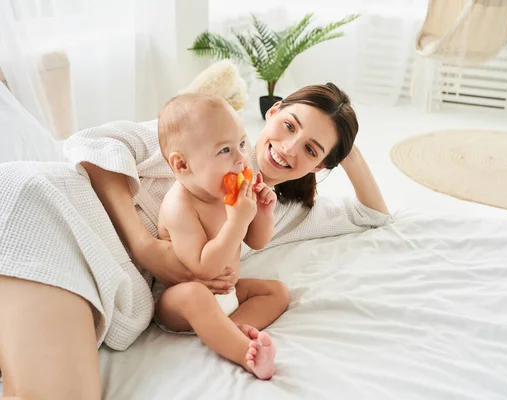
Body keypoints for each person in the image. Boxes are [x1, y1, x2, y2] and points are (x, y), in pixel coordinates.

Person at [0, 82, 390, 399]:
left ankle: (232, 339)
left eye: (311, 149)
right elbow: (92, 144)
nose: (289, 148)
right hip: (57, 214)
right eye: (290, 125)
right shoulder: (204, 129)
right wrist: (144, 247)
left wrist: (343, 144)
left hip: (100, 274)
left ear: (321, 165)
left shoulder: (285, 209)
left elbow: (374, 214)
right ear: (272, 112)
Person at [154, 93, 287, 380]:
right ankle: (244, 353)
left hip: (229, 293)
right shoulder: (180, 205)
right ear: (182, 165)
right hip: (182, 304)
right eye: (224, 150)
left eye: (241, 143)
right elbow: (203, 268)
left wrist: (262, 212)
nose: (241, 158)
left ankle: (230, 330)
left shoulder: (229, 192)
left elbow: (258, 242)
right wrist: (238, 220)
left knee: (277, 292)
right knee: (195, 294)